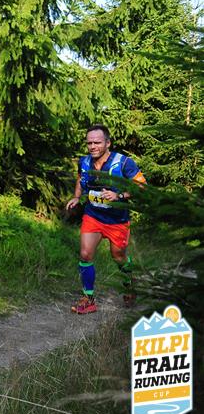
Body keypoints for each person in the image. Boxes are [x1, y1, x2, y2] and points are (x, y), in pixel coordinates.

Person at [65, 124, 146, 314]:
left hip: (117, 220)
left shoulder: (124, 163)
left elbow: (142, 186)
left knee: (118, 256)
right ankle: (89, 299)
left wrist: (120, 195)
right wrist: (77, 196)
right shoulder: (84, 162)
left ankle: (130, 283)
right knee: (85, 254)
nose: (93, 146)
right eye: (89, 143)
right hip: (93, 215)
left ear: (108, 143)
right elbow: (80, 178)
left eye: (97, 142)